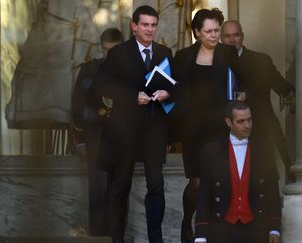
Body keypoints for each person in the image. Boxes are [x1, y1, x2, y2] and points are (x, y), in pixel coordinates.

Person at [87, 5, 174, 243]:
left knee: (156, 186)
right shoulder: (119, 53)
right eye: (144, 24)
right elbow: (99, 89)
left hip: (155, 130)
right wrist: (132, 96)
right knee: (120, 186)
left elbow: (176, 89)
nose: (149, 29)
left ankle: (156, 239)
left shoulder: (165, 52)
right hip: (124, 131)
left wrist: (168, 93)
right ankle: (116, 238)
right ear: (133, 26)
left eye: (153, 25)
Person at [172, 8, 241, 243]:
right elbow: (174, 89)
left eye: (217, 30)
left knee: (219, 180)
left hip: (220, 127)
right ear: (197, 33)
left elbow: (244, 78)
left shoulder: (228, 52)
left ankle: (212, 232)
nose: (214, 35)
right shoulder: (182, 56)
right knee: (196, 183)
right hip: (192, 129)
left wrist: (243, 95)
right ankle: (187, 219)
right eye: (209, 31)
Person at [194, 101, 281, 243]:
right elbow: (204, 195)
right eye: (241, 121)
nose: (247, 125)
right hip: (222, 228)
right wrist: (200, 235)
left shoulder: (264, 149)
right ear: (228, 122)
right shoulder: (211, 151)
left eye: (249, 120)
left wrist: (274, 228)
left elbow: (272, 191)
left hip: (256, 227)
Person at [220, 20, 295, 182]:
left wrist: (291, 93)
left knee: (265, 175)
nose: (232, 40)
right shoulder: (214, 62)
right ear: (221, 38)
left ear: (242, 37)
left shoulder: (261, 60)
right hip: (225, 129)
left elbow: (280, 85)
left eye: (236, 35)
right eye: (227, 36)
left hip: (260, 123)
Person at [71, 27, 123, 236]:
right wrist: (80, 141)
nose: (109, 54)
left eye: (114, 50)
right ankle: (96, 239)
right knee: (97, 194)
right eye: (106, 49)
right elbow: (78, 107)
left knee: (119, 194)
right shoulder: (90, 70)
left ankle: (116, 238)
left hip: (122, 142)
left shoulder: (132, 72)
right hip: (96, 140)